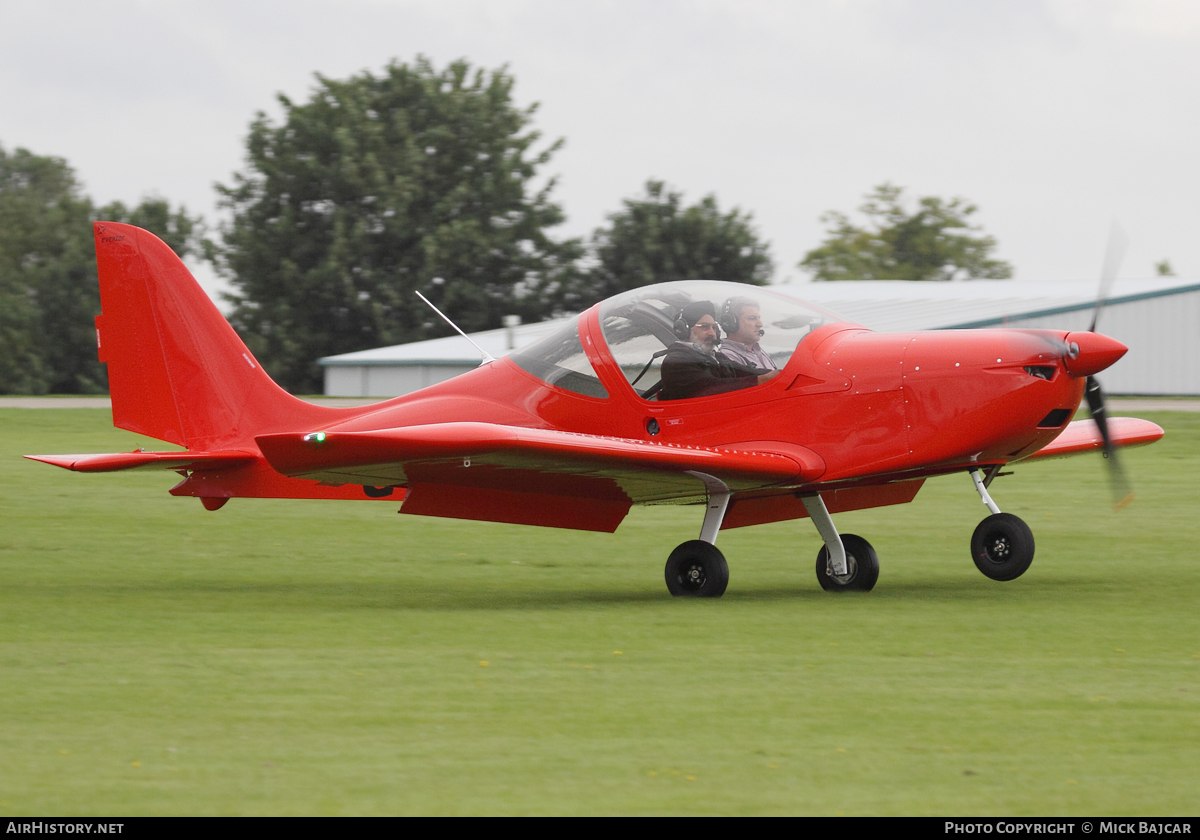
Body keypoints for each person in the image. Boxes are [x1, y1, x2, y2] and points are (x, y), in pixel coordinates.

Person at [657, 301, 780, 401]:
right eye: (704, 327)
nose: (712, 333)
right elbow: (711, 388)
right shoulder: (675, 363)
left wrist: (782, 375)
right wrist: (762, 380)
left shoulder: (716, 358)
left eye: (714, 327)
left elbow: (747, 372)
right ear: (683, 330)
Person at [717, 297, 778, 373]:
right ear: (731, 322)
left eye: (759, 318)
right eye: (752, 318)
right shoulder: (727, 357)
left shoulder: (758, 352)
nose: (760, 324)